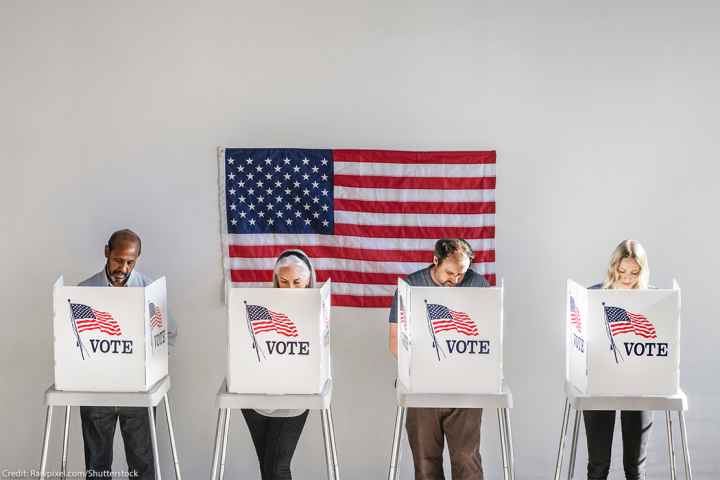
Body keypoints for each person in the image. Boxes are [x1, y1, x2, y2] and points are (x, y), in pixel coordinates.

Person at [79, 229, 177, 480]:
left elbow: (170, 335)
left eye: (130, 262)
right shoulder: (84, 290)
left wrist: (153, 364)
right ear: (106, 252)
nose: (123, 267)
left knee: (142, 464)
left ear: (137, 259)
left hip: (137, 391)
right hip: (97, 391)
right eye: (118, 259)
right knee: (96, 466)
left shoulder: (150, 291)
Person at [388, 238, 489, 480]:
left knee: (467, 459)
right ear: (435, 261)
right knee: (425, 461)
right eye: (449, 272)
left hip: (465, 387)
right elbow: (394, 341)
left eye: (461, 274)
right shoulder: (410, 286)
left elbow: (490, 339)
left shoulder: (479, 286)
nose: (454, 280)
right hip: (422, 385)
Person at [241, 249, 315, 480]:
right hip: (256, 397)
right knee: (267, 467)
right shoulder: (259, 306)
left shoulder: (316, 310)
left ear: (308, 281)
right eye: (284, 282)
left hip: (294, 397)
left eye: (297, 282)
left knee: (277, 468)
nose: (290, 288)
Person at [583, 239, 653, 480]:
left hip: (639, 384)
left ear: (642, 272)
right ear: (613, 267)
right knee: (599, 464)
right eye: (622, 271)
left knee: (635, 467)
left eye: (634, 272)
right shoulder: (592, 295)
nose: (627, 278)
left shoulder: (653, 300)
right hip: (601, 382)